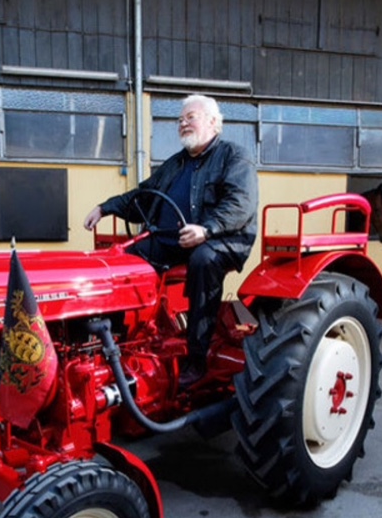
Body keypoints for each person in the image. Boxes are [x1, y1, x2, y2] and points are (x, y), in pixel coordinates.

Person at [84, 94, 257, 387]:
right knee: (123, 261)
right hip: (172, 241)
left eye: (190, 117)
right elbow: (142, 194)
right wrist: (104, 207)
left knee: (204, 260)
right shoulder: (175, 164)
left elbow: (241, 204)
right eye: (180, 119)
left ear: (214, 122)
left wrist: (207, 229)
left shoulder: (234, 157)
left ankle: (197, 359)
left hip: (221, 240)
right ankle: (119, 345)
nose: (182, 123)